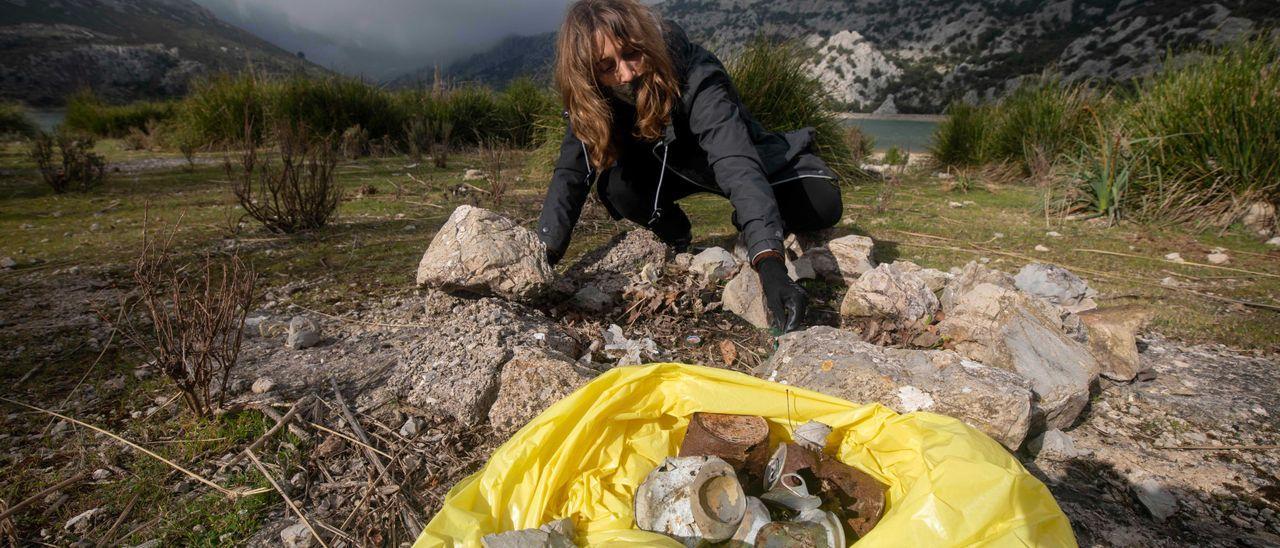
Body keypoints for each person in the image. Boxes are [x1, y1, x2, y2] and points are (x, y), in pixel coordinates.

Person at [536, 0, 842, 333]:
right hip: (663, 171)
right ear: (589, 72)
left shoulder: (696, 73)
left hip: (724, 158)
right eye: (606, 66)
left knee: (822, 201)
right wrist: (544, 255)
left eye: (631, 55)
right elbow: (571, 175)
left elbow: (735, 162)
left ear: (645, 43)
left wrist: (769, 263)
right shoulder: (593, 96)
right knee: (618, 187)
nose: (624, 74)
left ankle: (754, 226)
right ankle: (675, 235)